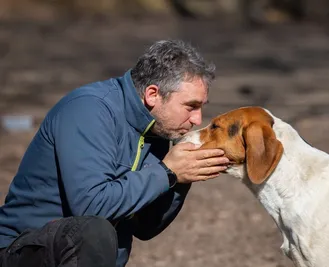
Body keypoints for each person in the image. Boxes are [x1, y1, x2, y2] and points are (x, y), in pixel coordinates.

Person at [0, 40, 229, 267]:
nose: (197, 119)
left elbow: (146, 227)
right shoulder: (89, 110)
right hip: (22, 250)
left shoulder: (156, 130)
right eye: (191, 106)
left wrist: (181, 179)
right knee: (93, 231)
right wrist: (168, 173)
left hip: (81, 256)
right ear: (152, 95)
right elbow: (91, 206)